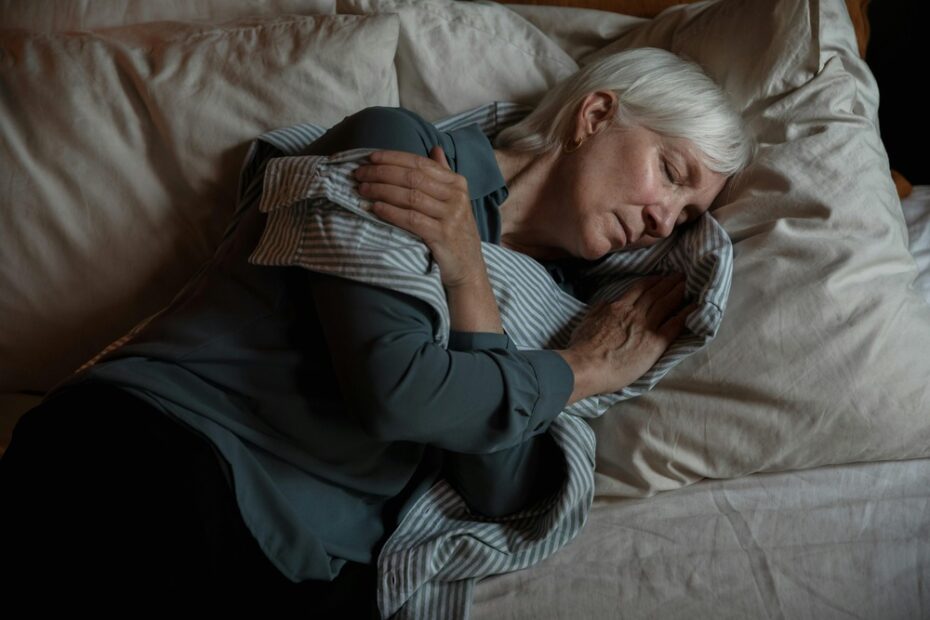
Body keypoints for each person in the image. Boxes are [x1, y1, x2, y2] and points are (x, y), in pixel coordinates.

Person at [0, 47, 755, 611]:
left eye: (687, 217)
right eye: (671, 172)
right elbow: (397, 393)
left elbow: (499, 487)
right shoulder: (400, 150)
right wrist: (580, 371)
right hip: (161, 457)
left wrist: (472, 283)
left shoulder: (563, 311)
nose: (664, 218)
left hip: (309, 564)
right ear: (596, 116)